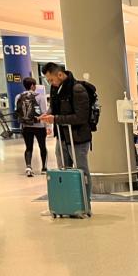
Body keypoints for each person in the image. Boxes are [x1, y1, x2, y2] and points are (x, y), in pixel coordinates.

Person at [40, 62, 93, 199]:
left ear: (60, 74)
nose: (51, 83)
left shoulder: (77, 89)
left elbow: (81, 117)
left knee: (82, 171)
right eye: (48, 81)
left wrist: (56, 119)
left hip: (78, 137)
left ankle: (85, 203)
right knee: (63, 170)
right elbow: (54, 107)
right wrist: (48, 114)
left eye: (51, 80)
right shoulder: (55, 89)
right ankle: (69, 203)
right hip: (62, 136)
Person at [15, 76, 50, 176]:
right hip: (39, 126)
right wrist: (47, 127)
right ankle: (44, 168)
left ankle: (29, 167)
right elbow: (44, 113)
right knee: (42, 147)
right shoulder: (40, 96)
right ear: (32, 85)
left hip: (26, 126)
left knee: (28, 147)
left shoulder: (18, 97)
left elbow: (17, 111)